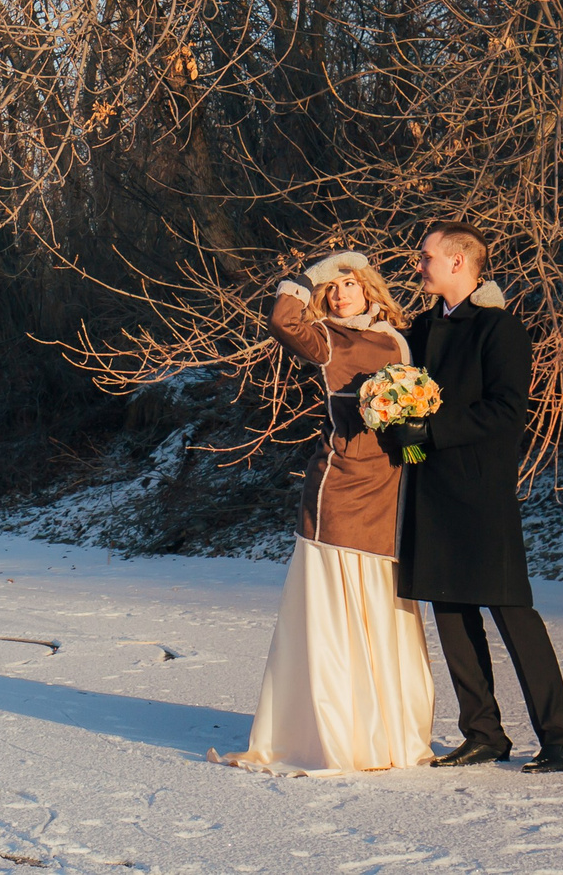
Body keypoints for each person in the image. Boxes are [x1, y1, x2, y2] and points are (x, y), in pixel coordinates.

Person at [216, 251, 438, 774]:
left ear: (369, 288)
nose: (340, 295)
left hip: (391, 484)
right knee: (335, 610)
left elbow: (428, 389)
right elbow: (282, 322)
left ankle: (390, 732)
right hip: (340, 486)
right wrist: (311, 274)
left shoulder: (401, 339)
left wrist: (417, 453)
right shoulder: (326, 338)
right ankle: (337, 734)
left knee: (384, 605)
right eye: (331, 289)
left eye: (349, 284)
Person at [387, 221, 563, 774]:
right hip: (430, 491)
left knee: (512, 611)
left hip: (480, 494)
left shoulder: (500, 329)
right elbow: (405, 408)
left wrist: (430, 433)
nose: (418, 266)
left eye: (425, 257)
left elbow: (505, 412)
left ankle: (560, 740)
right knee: (450, 611)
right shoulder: (420, 328)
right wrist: (411, 449)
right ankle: (483, 734)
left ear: (458, 262)